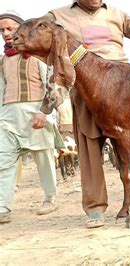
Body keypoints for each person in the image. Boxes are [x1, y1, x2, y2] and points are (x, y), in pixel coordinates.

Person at [47, 0, 130, 228]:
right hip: (87, 88)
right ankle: (95, 208)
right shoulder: (57, 17)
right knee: (89, 147)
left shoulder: (116, 13)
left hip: (123, 88)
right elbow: (39, 32)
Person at [0, 10, 58, 224]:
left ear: (22, 28)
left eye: (10, 28)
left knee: (43, 157)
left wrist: (44, 112)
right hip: (8, 115)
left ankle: (50, 197)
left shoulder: (39, 55)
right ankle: (3, 206)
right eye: (1, 30)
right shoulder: (2, 61)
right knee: (4, 160)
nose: (6, 33)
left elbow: (52, 86)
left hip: (36, 112)